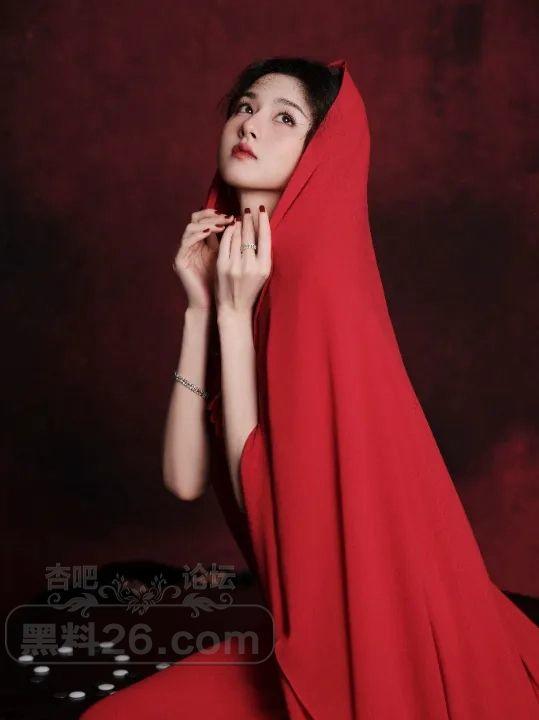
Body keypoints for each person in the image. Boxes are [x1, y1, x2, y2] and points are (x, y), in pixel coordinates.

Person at [81, 57, 539, 719]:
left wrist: (233, 316)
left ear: (320, 155)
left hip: (367, 635)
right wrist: (201, 310)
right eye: (244, 106)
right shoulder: (242, 269)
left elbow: (271, 513)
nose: (250, 125)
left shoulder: (314, 281)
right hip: (302, 618)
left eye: (284, 118)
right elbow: (183, 478)